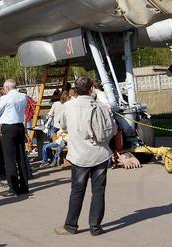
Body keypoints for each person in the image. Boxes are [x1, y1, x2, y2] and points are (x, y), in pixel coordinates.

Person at [55, 76, 117, 237]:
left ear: (75, 89)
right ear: (91, 89)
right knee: (98, 191)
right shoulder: (102, 106)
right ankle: (95, 227)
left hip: (79, 156)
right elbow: (113, 129)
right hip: (100, 154)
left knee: (77, 191)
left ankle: (70, 226)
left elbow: (62, 126)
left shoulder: (68, 106)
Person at [0, 79, 30, 197]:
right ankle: (24, 186)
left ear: (7, 88)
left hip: (9, 128)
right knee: (21, 156)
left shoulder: (5, 98)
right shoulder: (23, 96)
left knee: (9, 158)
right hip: (19, 126)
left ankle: (13, 188)